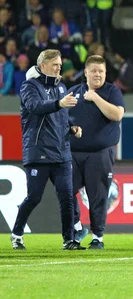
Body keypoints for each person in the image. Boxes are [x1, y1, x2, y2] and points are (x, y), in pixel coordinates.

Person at [11, 49, 85, 250]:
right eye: (55, 64)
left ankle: (69, 240)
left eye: (60, 64)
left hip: (61, 152)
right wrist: (59, 103)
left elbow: (59, 119)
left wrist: (71, 128)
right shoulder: (29, 86)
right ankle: (17, 234)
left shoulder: (60, 87)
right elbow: (35, 106)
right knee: (34, 197)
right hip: (38, 151)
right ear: (43, 65)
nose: (59, 67)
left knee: (67, 197)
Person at [68, 55, 125, 249]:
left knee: (98, 196)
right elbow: (61, 118)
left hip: (100, 153)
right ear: (86, 72)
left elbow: (117, 115)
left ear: (106, 73)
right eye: (94, 71)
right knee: (65, 190)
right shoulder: (73, 92)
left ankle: (97, 237)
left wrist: (95, 97)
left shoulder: (111, 91)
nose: (98, 74)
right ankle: (76, 228)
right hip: (73, 153)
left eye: (101, 71)